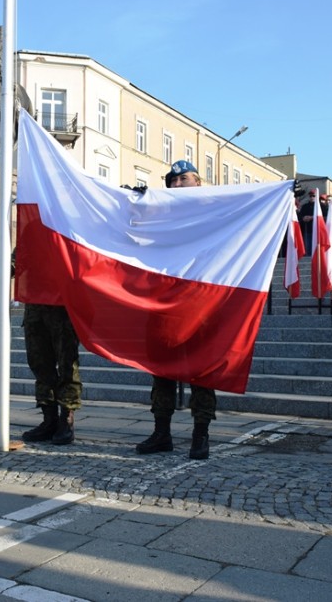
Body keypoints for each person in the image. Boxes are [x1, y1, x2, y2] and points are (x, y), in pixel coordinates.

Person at [135, 160, 217, 460]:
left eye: (184, 179)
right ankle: (162, 433)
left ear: (198, 182)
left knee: (201, 371)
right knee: (161, 369)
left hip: (200, 302)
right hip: (164, 302)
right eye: (173, 181)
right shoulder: (160, 215)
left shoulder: (215, 211)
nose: (178, 185)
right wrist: (136, 204)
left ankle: (201, 433)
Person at [21, 304, 83, 446]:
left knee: (67, 366)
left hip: (61, 307)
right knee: (40, 365)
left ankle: (67, 418)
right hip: (35, 308)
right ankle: (49, 420)